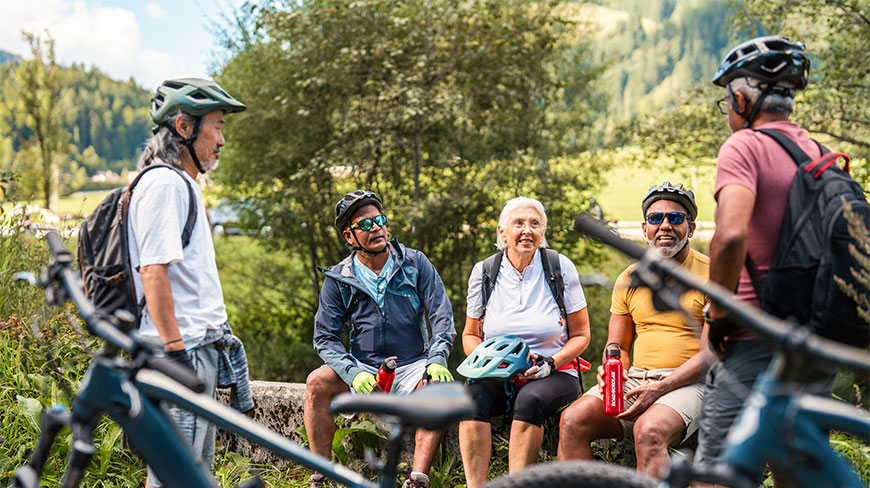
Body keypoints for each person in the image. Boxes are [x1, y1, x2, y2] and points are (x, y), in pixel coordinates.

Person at [697, 35, 831, 471]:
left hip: (756, 338)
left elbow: (731, 235)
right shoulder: (820, 155)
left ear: (741, 96)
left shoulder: (744, 146)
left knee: (719, 474)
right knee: (796, 471)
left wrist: (718, 317)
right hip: (814, 338)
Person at [128, 78, 253, 488]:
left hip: (192, 347)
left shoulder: (176, 183)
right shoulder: (166, 184)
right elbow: (153, 272)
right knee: (179, 475)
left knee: (183, 473)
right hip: (183, 350)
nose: (222, 139)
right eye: (217, 126)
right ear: (184, 127)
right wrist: (177, 353)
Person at [558, 183, 711, 479]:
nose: (665, 226)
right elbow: (618, 345)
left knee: (649, 430)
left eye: (676, 218)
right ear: (645, 228)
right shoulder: (629, 277)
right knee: (572, 420)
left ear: (691, 228)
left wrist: (660, 388)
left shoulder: (711, 275)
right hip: (637, 380)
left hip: (691, 383)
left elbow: (712, 354)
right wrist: (612, 370)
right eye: (656, 219)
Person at [305, 190, 456, 488]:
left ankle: (417, 479)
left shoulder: (415, 262)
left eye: (380, 220)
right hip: (363, 367)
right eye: (365, 224)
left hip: (412, 364)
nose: (376, 228)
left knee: (439, 387)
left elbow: (442, 316)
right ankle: (321, 475)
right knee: (316, 382)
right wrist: (352, 370)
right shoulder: (338, 278)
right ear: (350, 237)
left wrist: (437, 358)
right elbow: (324, 338)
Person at [460, 196, 591, 488]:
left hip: (555, 370)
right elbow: (470, 335)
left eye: (535, 224)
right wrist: (489, 363)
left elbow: (582, 335)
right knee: (471, 398)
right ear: (502, 232)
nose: (527, 231)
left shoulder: (559, 267)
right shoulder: (484, 272)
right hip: (499, 370)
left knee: (530, 400)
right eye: (518, 223)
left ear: (542, 232)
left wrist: (550, 362)